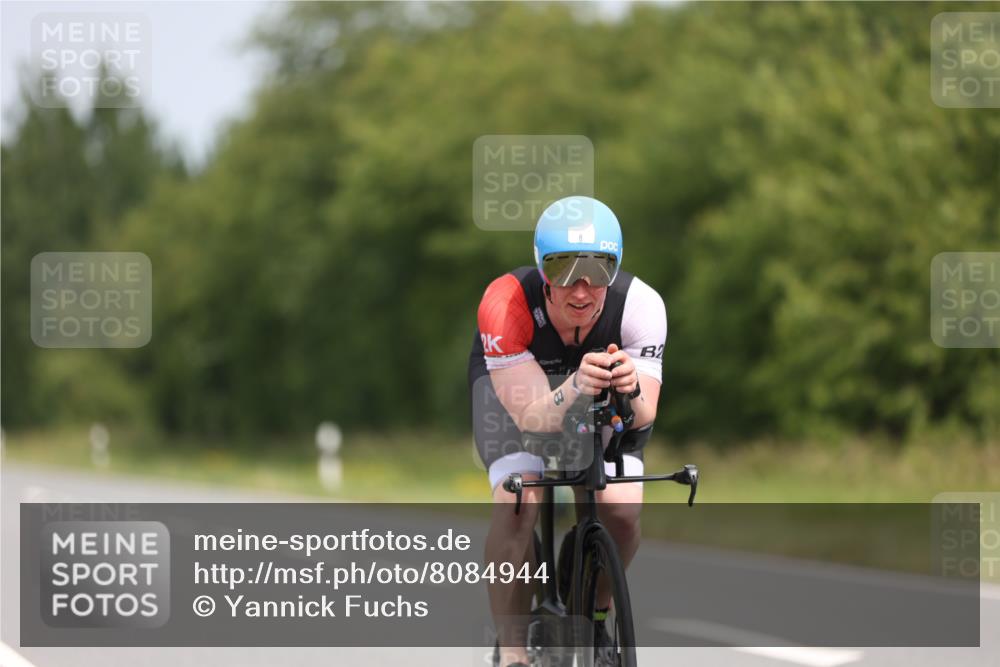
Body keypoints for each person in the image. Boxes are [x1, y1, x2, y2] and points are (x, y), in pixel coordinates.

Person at [468, 195, 667, 667]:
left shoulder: (641, 306)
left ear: (615, 268)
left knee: (621, 511)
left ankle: (594, 613)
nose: (581, 290)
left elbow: (644, 413)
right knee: (518, 504)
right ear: (542, 269)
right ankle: (513, 652)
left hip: (600, 402)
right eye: (563, 271)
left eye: (597, 271)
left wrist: (631, 386)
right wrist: (575, 384)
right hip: (519, 398)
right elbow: (532, 420)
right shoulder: (505, 304)